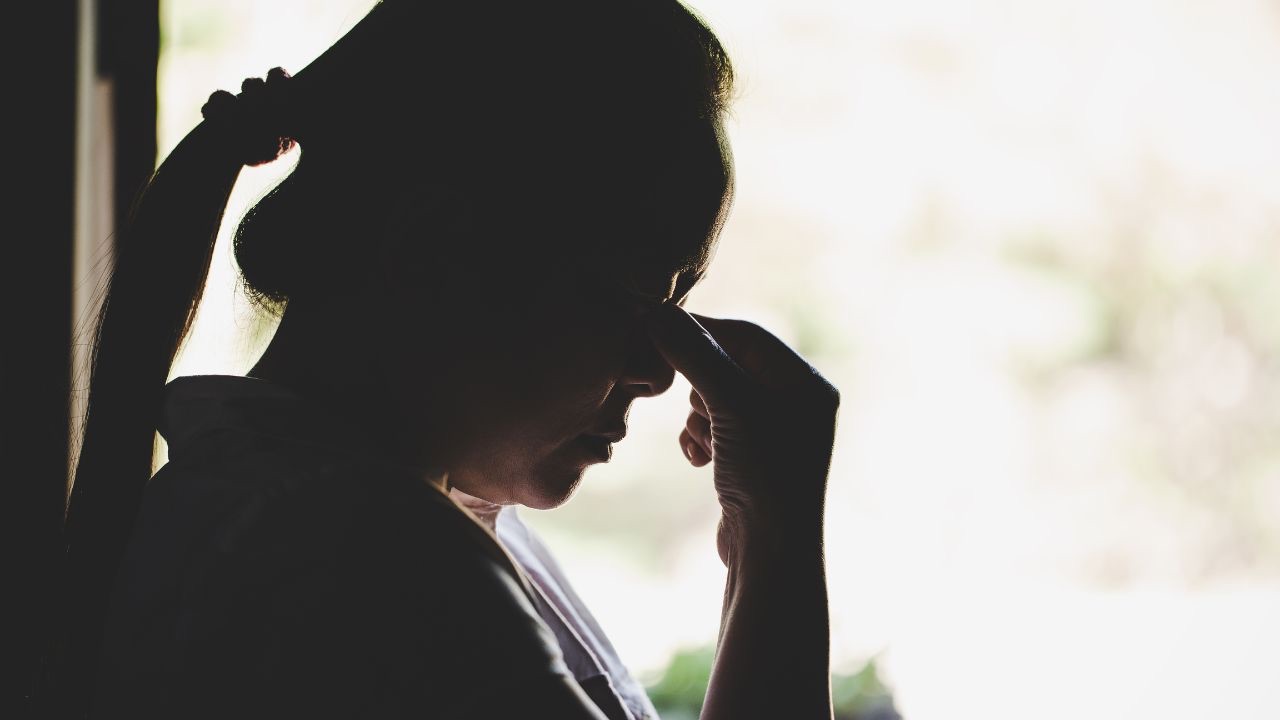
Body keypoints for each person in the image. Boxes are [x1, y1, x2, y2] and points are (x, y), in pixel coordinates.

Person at [36, 1, 841, 717]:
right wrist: (774, 537)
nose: (662, 370)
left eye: (679, 305)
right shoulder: (368, 561)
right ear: (433, 253)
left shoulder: (325, 511)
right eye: (636, 297)